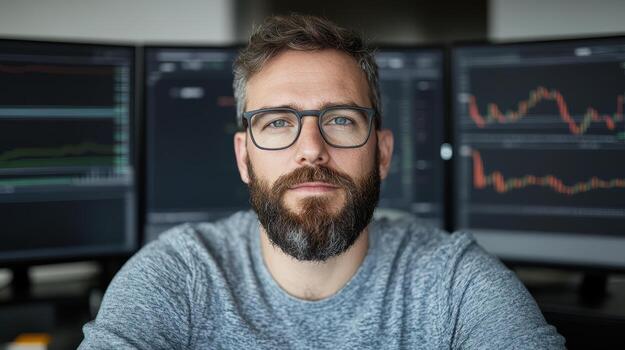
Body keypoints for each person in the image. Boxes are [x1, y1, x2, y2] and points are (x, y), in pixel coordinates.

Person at [80, 14, 565, 349]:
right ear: (244, 157)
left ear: (383, 154)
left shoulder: (455, 282)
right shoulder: (178, 275)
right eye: (277, 122)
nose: (311, 147)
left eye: (340, 120)